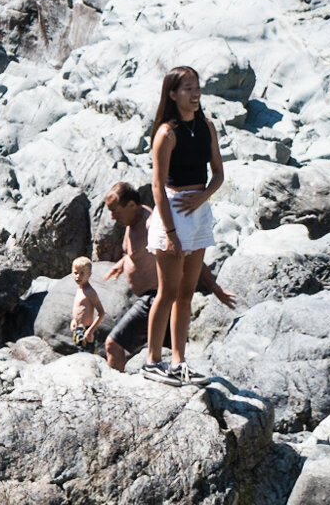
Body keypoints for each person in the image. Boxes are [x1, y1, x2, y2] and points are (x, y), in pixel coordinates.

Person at [96, 182, 238, 373]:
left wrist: (215, 288)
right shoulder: (132, 223)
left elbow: (190, 255)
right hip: (151, 300)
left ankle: (116, 390)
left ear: (131, 205)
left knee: (113, 344)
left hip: (155, 299)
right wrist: (122, 264)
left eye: (115, 211)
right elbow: (137, 251)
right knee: (167, 355)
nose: (112, 217)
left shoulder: (149, 224)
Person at [145, 66, 225, 382]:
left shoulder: (207, 127)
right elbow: (156, 186)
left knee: (187, 293)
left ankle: (179, 362)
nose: (195, 94)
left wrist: (203, 197)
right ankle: (152, 361)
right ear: (173, 94)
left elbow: (219, 174)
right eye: (188, 88)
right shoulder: (167, 132)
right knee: (167, 291)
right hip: (173, 213)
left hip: (198, 211)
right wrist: (170, 232)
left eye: (197, 87)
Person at [69, 256, 105, 345]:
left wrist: (90, 330)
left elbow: (101, 313)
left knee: (87, 355)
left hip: (87, 331)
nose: (78, 276)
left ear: (89, 275)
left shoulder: (90, 292)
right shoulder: (79, 290)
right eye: (76, 273)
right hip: (78, 330)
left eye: (82, 273)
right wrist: (74, 320)